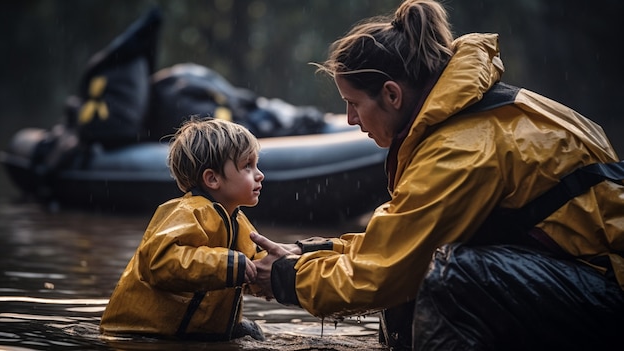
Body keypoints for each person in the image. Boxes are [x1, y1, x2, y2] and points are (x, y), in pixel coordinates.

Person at [250, 0, 624, 349]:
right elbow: (397, 241)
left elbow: (386, 274)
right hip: (584, 282)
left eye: (353, 104)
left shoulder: (460, 148)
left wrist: (285, 278)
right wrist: (309, 252)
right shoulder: (476, 116)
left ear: (392, 95)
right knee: (430, 263)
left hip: (606, 294)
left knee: (445, 273)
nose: (350, 120)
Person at [100, 117, 266, 341]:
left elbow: (254, 260)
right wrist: (227, 265)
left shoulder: (237, 220)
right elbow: (161, 262)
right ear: (212, 178)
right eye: (247, 166)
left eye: (256, 165)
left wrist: (278, 268)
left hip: (189, 332)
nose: (259, 174)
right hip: (140, 334)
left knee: (252, 334)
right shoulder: (186, 212)